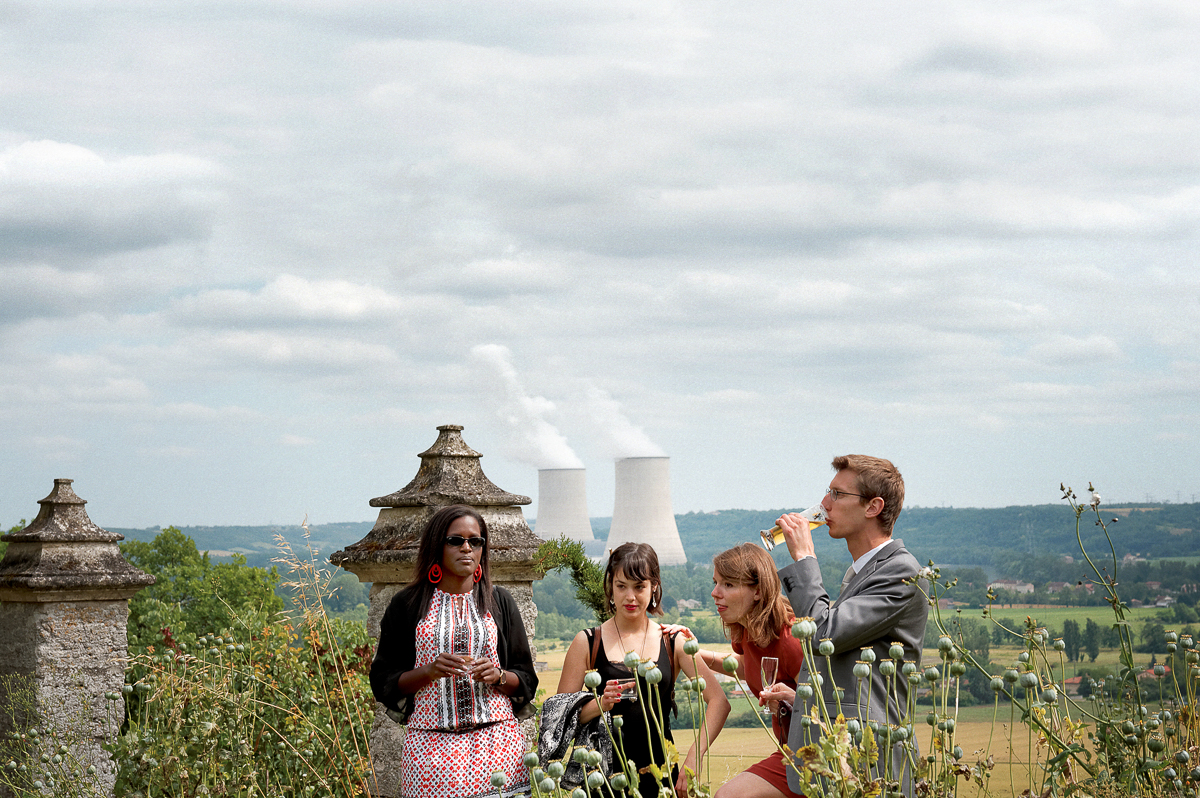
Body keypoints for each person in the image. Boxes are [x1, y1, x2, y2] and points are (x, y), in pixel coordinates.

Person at [775, 455, 928, 794]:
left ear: (873, 507)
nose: (824, 504)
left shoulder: (901, 572)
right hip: (837, 758)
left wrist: (804, 558)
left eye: (837, 494)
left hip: (868, 762)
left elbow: (824, 634)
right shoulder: (861, 572)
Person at [371, 504, 537, 798]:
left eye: (476, 541)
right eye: (456, 540)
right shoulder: (407, 605)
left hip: (498, 748)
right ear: (437, 545)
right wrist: (429, 672)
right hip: (430, 754)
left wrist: (498, 675)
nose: (467, 548)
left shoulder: (500, 601)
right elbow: (383, 682)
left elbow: (526, 678)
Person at [556, 542, 729, 798]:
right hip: (602, 779)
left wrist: (693, 758)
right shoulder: (587, 642)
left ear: (654, 587)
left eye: (639, 587)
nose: (630, 597)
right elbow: (560, 718)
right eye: (621, 586)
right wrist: (600, 704)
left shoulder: (673, 641)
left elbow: (719, 701)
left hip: (660, 776)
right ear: (610, 586)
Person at [697, 543, 805, 798]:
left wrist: (792, 698)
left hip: (813, 756)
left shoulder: (792, 641)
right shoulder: (748, 630)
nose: (715, 593)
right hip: (790, 751)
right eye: (716, 582)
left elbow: (826, 708)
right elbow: (746, 668)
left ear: (758, 591)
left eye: (728, 585)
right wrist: (688, 650)